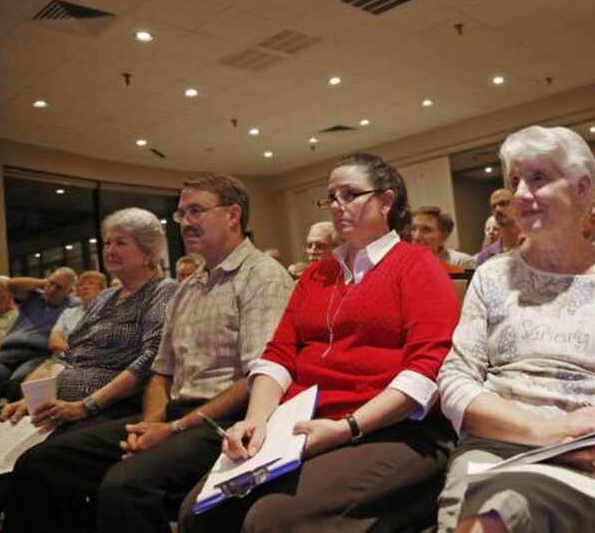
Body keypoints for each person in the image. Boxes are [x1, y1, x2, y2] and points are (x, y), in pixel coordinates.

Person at [178, 153, 460, 533]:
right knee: (198, 513)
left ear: (386, 201)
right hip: (303, 427)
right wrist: (257, 419)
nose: (337, 206)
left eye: (350, 194)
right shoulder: (316, 275)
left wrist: (347, 427)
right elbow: (278, 355)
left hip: (389, 429)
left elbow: (426, 370)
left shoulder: (417, 265)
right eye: (331, 197)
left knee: (271, 521)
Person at [1, 176, 294, 533]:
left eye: (196, 211)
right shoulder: (190, 287)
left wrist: (170, 428)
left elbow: (258, 377)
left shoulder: (262, 277)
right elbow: (160, 371)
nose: (184, 222)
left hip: (225, 421)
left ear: (233, 215)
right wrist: (152, 424)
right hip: (172, 415)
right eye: (181, 213)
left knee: (124, 487)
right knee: (44, 462)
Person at [436, 126, 595, 533]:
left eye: (538, 177)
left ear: (582, 188)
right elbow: (455, 380)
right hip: (496, 449)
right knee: (486, 513)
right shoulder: (489, 277)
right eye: (514, 181)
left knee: (499, 515)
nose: (521, 193)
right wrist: (550, 432)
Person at [0, 208, 178, 533]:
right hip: (64, 406)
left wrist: (85, 405)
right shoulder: (105, 297)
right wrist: (31, 397)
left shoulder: (163, 292)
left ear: (149, 252)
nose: (109, 250)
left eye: (121, 243)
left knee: (33, 465)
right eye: (107, 242)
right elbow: (70, 355)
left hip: (114, 408)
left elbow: (147, 362)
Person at [0, 268, 78, 408]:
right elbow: (11, 285)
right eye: (51, 283)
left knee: (20, 382)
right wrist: (43, 283)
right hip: (5, 354)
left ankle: (6, 414)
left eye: (59, 287)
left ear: (69, 292)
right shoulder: (34, 298)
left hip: (37, 355)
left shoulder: (73, 305)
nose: (52, 289)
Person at [48, 271, 107, 354]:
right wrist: (70, 351)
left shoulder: (110, 312)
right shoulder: (68, 313)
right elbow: (54, 340)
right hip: (66, 359)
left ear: (103, 290)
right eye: (81, 284)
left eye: (91, 283)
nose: (85, 287)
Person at [411, 206, 476, 271]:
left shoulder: (462, 262)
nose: (416, 236)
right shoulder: (406, 265)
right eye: (413, 229)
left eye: (426, 230)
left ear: (444, 237)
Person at [476, 189, 521, 265]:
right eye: (493, 207)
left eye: (503, 204)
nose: (497, 209)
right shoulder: (485, 256)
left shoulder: (536, 246)